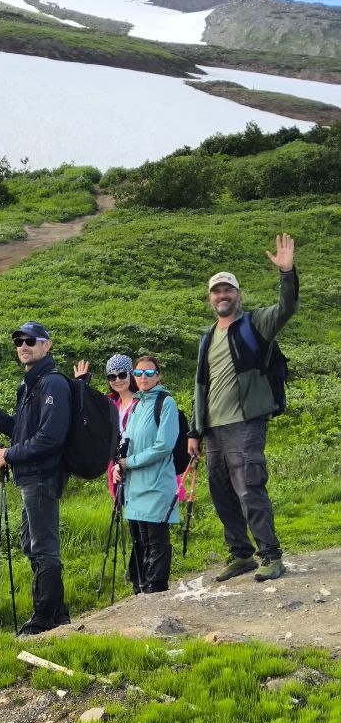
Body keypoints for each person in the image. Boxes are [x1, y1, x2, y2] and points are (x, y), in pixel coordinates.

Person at [187, 233, 298, 582]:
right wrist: (194, 430)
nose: (222, 295)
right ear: (210, 298)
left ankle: (270, 555)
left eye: (228, 290)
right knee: (221, 493)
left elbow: (287, 307)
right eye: (217, 291)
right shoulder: (207, 337)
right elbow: (200, 386)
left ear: (238, 295)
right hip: (215, 429)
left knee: (249, 487)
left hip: (245, 423)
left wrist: (287, 273)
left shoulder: (255, 324)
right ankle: (241, 554)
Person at [0, 319, 71, 635]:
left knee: (43, 545)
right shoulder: (29, 385)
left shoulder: (52, 384)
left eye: (30, 341)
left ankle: (45, 617)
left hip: (43, 476)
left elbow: (50, 438)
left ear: (46, 345)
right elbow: (19, 431)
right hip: (30, 477)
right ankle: (56, 611)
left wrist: (9, 455)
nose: (23, 345)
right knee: (30, 542)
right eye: (19, 341)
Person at [112, 357, 180, 593]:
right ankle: (140, 587)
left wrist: (129, 462)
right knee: (139, 539)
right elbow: (126, 442)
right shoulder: (138, 404)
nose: (144, 377)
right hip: (133, 485)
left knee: (156, 539)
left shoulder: (166, 402)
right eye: (139, 373)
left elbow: (163, 446)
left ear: (158, 375)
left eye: (150, 372)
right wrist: (116, 467)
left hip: (156, 483)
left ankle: (156, 587)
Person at [74, 354, 137, 498]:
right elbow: (85, 413)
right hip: (115, 466)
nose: (117, 380)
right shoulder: (109, 403)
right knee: (124, 510)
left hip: (136, 462)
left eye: (122, 375)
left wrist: (123, 464)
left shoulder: (141, 401)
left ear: (131, 375)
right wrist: (81, 384)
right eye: (112, 377)